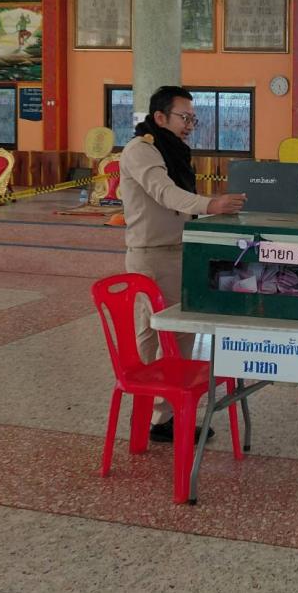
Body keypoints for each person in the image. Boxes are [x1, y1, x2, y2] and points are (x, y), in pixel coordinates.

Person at [119, 85, 247, 442]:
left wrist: (210, 213)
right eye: (184, 117)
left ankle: (163, 416)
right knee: (155, 336)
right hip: (150, 256)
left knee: (176, 333)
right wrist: (210, 205)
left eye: (193, 118)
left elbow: (179, 200)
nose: (190, 125)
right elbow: (164, 193)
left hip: (177, 252)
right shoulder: (141, 150)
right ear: (160, 117)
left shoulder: (171, 150)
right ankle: (153, 415)